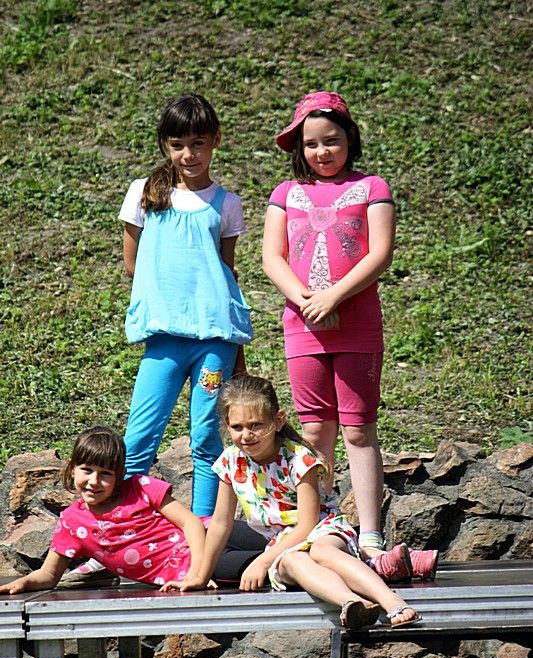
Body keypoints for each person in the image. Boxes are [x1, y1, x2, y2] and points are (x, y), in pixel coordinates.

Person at [59, 93, 254, 587]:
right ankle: (113, 532)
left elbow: (226, 270)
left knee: (207, 437)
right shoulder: (144, 193)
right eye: (178, 144)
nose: (189, 154)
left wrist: (235, 347)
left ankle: (204, 540)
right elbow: (133, 263)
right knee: (139, 438)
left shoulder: (227, 203)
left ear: (215, 142)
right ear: (165, 145)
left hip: (215, 338)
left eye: (199, 143)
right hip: (164, 335)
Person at [262, 91, 437, 582]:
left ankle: (371, 535)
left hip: (357, 325)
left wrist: (334, 296)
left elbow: (380, 253)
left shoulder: (371, 187)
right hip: (303, 325)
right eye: (311, 144)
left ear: (349, 139)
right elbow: (272, 257)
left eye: (331, 141)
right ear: (300, 148)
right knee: (315, 429)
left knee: (358, 429)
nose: (322, 151)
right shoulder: (285, 193)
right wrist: (304, 299)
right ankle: (319, 524)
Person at [174, 375, 420, 629]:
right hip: (281, 543)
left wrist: (263, 561)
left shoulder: (297, 458)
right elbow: (220, 524)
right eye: (237, 427)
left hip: (322, 529)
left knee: (321, 551)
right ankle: (353, 603)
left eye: (256, 425)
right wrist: (200, 576)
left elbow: (307, 525)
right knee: (292, 561)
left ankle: (392, 602)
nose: (247, 435)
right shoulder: (231, 461)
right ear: (227, 426)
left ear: (278, 420)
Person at [0, 427, 211, 595]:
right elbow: (49, 574)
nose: (94, 481)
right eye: (87, 470)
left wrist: (197, 574)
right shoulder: (72, 522)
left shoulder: (140, 487)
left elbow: (191, 523)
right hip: (196, 572)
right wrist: (25, 582)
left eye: (105, 474)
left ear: (119, 475)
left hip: (209, 546)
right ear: (72, 468)